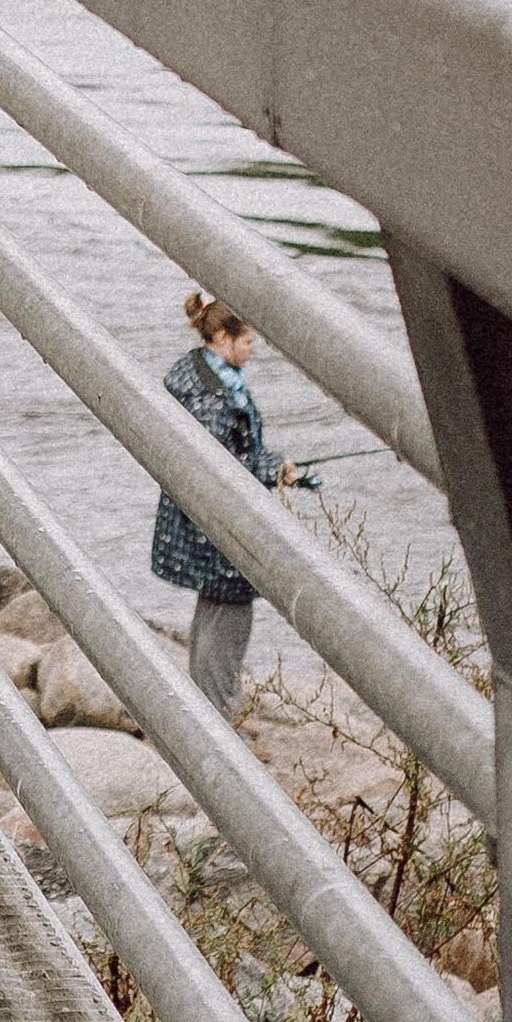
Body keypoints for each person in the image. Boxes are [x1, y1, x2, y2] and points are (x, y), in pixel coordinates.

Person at [149, 289, 314, 714]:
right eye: (247, 341)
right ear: (221, 336)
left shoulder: (201, 372)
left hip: (192, 519)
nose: (254, 348)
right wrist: (276, 469)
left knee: (214, 606)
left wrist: (275, 465)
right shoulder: (212, 399)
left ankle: (207, 699)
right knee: (231, 605)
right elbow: (222, 464)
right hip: (214, 523)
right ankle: (218, 707)